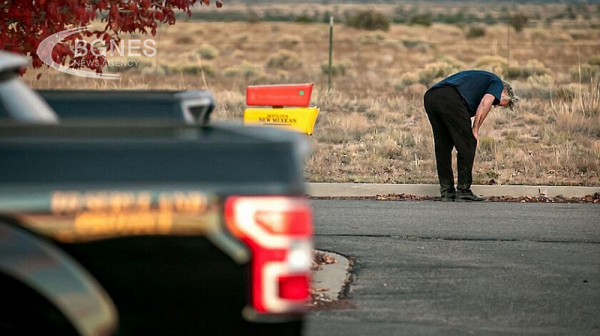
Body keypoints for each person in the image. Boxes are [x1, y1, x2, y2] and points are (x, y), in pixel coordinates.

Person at [423, 70, 519, 202]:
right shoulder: (497, 83)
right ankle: (463, 191)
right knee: (468, 143)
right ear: (504, 92)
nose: (495, 106)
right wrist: (475, 130)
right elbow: (485, 103)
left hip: (431, 96)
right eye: (498, 103)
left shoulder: (480, 82)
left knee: (443, 146)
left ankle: (447, 192)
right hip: (450, 97)